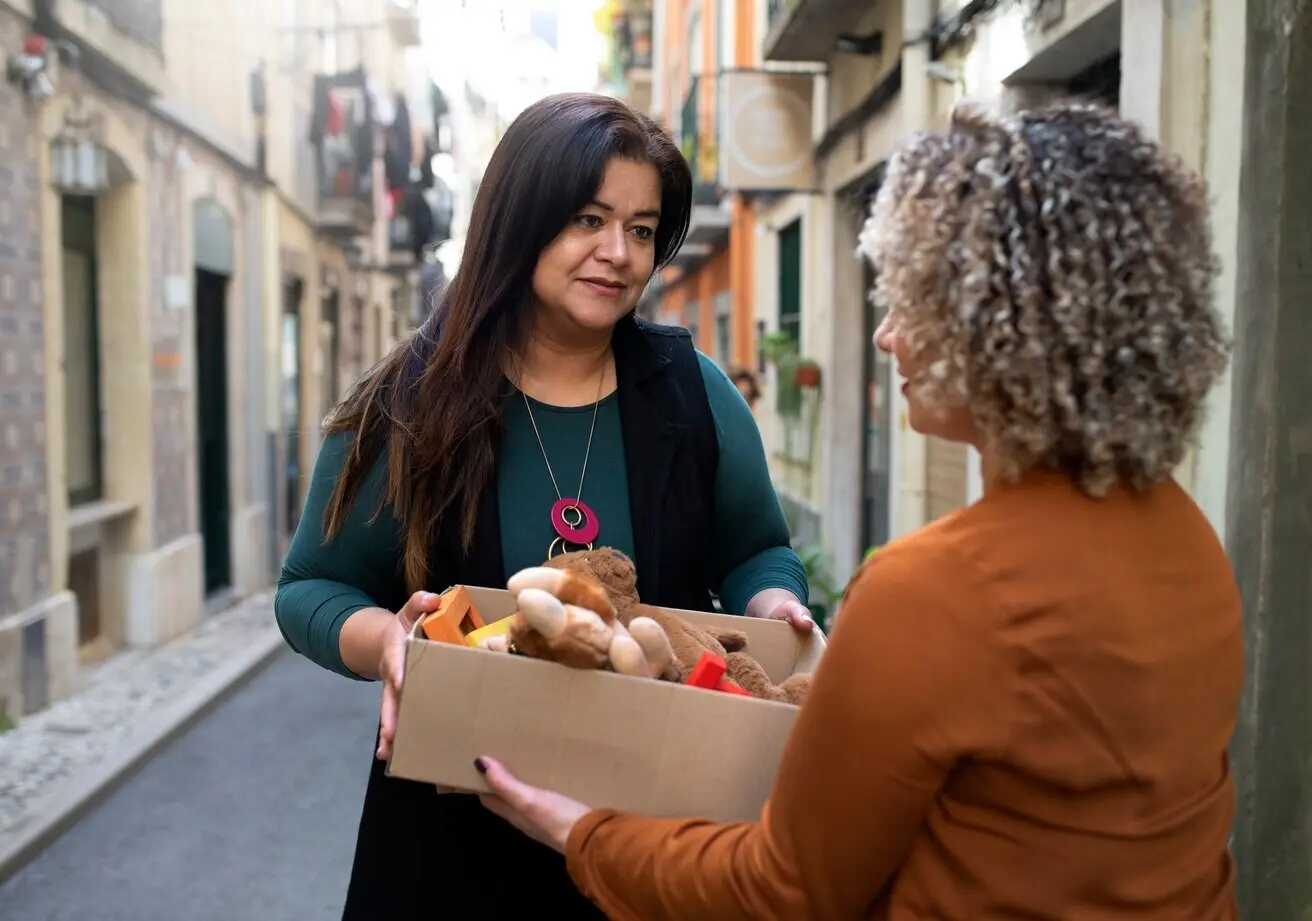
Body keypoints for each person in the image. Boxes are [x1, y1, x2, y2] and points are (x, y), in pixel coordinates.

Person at [475, 101, 1245, 919]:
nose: (884, 335)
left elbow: (785, 886)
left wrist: (582, 829)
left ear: (996, 329)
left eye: (911, 301)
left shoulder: (933, 588)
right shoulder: (1190, 539)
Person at [273, 92, 816, 920]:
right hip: (453, 840)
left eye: (641, 229)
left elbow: (757, 550)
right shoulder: (409, 402)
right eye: (588, 220)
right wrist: (390, 640)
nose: (618, 253)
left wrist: (775, 604)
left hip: (652, 843)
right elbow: (310, 587)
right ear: (520, 222)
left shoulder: (693, 394)